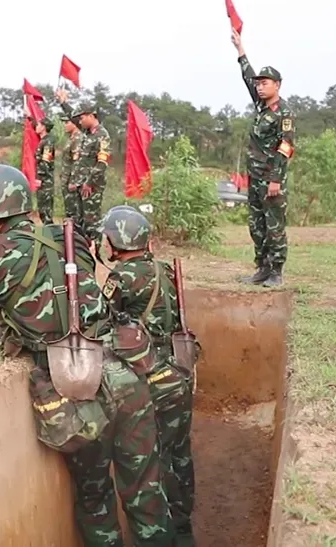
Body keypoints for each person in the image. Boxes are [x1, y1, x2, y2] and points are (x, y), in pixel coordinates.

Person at [0, 164, 173, 547]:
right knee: (147, 496)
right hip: (126, 374)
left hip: (76, 389)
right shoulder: (72, 239)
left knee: (96, 499)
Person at [100, 206, 196, 546]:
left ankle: (160, 533)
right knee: (179, 454)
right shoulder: (165, 269)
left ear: (115, 241)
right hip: (179, 370)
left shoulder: (121, 276)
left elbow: (101, 318)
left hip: (148, 373)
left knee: (148, 462)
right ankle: (184, 530)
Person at [231, 30, 295, 287]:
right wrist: (240, 50)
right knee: (256, 226)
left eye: (265, 83)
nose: (259, 86)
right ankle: (262, 268)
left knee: (274, 225)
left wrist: (275, 179)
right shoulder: (260, 108)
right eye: (258, 83)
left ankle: (276, 271)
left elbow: (286, 146)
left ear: (277, 85)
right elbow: (247, 76)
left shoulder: (284, 113)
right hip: (255, 178)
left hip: (271, 179)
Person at [56, 89, 111, 244]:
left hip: (92, 186)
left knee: (92, 220)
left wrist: (89, 182)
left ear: (91, 116)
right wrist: (62, 102)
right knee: (80, 220)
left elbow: (102, 163)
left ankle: (96, 249)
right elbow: (72, 115)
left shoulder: (102, 135)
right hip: (81, 185)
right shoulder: (87, 133)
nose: (79, 121)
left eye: (82, 118)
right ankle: (83, 249)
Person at [33, 116, 58, 224]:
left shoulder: (48, 142)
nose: (36, 127)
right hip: (43, 180)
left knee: (46, 210)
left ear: (43, 127)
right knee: (42, 210)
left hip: (45, 180)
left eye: (38, 125)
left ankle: (51, 236)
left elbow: (45, 162)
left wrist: (40, 178)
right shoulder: (44, 141)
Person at [62, 116, 84, 226]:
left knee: (74, 212)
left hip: (71, 180)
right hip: (66, 178)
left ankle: (76, 236)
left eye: (67, 122)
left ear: (74, 124)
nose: (65, 125)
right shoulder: (71, 138)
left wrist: (73, 181)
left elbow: (77, 161)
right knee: (69, 210)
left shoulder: (77, 138)